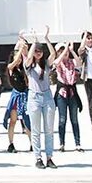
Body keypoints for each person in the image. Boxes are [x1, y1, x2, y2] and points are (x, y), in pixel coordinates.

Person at [21, 30, 57, 169]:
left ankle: (49, 157)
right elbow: (29, 58)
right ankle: (38, 157)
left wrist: (46, 39)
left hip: (47, 96)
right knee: (35, 130)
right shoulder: (29, 65)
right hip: (34, 97)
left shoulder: (46, 64)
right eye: (36, 51)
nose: (38, 53)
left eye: (40, 51)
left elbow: (53, 54)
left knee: (49, 129)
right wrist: (34, 42)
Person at [53, 40, 83, 152]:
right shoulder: (59, 63)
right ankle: (62, 143)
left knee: (74, 119)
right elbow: (55, 63)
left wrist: (71, 50)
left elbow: (79, 63)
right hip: (62, 93)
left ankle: (78, 143)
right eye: (61, 50)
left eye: (64, 50)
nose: (64, 52)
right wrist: (64, 50)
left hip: (72, 93)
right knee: (62, 119)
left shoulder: (72, 62)